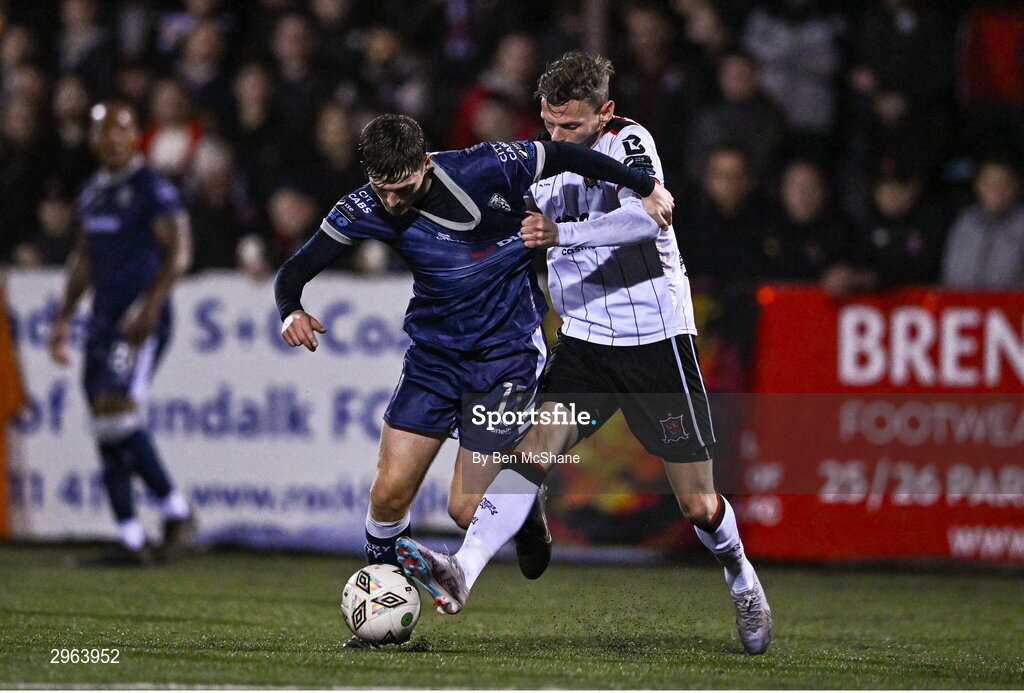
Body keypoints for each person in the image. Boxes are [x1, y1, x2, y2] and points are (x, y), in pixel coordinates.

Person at [394, 52, 773, 656]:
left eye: (572, 127)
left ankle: (741, 577)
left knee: (698, 504)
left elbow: (652, 216)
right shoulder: (540, 160)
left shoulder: (630, 145)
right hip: (584, 342)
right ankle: (462, 569)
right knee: (530, 452)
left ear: (605, 113)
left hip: (655, 342)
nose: (559, 138)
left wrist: (562, 233)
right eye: (551, 125)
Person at [273, 113, 673, 648]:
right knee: (389, 497)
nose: (392, 202)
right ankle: (381, 626)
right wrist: (290, 310)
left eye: (404, 188)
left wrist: (646, 187)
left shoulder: (487, 167)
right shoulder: (363, 208)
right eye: (382, 189)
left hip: (505, 357)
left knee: (464, 509)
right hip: (433, 360)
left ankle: (525, 507)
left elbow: (568, 155)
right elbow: (294, 271)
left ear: (427, 164)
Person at [48, 101, 194, 564]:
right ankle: (131, 536)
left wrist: (150, 307)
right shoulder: (92, 192)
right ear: (92, 139)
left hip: (138, 319)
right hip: (103, 319)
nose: (112, 138)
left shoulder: (151, 187)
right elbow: (83, 260)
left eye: (121, 129)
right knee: (102, 419)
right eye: (103, 130)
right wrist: (64, 316)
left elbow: (179, 252)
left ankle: (176, 510)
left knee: (116, 408)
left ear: (136, 137)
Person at [941, 157, 1024, 289]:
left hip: (1011, 306)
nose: (997, 190)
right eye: (989, 183)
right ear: (977, 185)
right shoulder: (965, 221)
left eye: (1004, 183)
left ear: (1016, 186)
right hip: (963, 304)